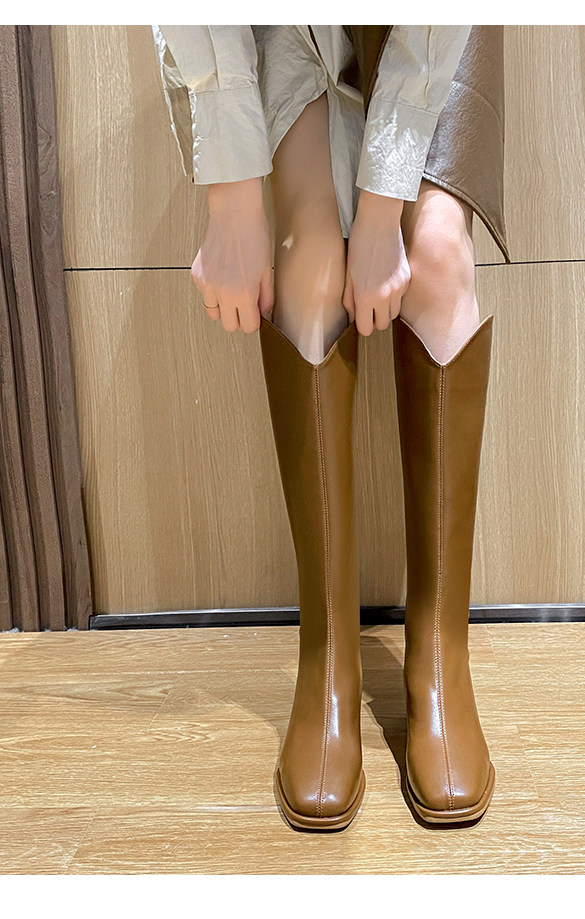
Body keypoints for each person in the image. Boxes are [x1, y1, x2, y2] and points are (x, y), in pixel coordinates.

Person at [152, 24, 507, 831]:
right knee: (308, 264)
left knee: (437, 255)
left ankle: (440, 660)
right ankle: (329, 661)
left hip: (430, 32)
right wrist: (231, 196)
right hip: (278, 24)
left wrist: (382, 214)